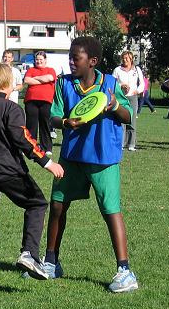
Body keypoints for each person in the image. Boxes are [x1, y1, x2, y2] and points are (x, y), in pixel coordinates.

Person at [0, 60, 64, 296]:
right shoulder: (11, 109)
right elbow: (24, 140)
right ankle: (29, 253)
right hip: (9, 173)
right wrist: (48, 163)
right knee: (37, 203)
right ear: (6, 84)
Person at [44, 36, 139, 293]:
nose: (71, 62)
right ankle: (51, 262)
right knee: (57, 206)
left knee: (110, 211)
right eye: (70, 58)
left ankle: (125, 271)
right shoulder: (64, 83)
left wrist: (114, 105)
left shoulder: (109, 83)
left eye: (76, 58)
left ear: (92, 61)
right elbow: (52, 116)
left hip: (103, 157)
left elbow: (128, 116)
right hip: (72, 156)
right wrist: (64, 122)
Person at [23, 51, 58, 155]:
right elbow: (27, 80)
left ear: (45, 60)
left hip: (46, 101)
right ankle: (30, 147)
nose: (38, 61)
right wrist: (42, 80)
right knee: (31, 125)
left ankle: (46, 147)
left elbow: (50, 78)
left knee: (45, 124)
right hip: (31, 100)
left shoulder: (50, 70)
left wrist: (34, 79)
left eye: (41, 59)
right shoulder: (31, 70)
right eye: (37, 59)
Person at [111, 50, 144, 151]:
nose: (125, 60)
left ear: (131, 59)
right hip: (121, 98)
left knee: (132, 120)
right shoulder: (117, 70)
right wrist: (121, 86)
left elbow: (142, 83)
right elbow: (112, 83)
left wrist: (137, 91)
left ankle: (131, 144)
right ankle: (120, 144)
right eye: (123, 58)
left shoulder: (137, 70)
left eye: (127, 58)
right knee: (121, 121)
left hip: (132, 97)